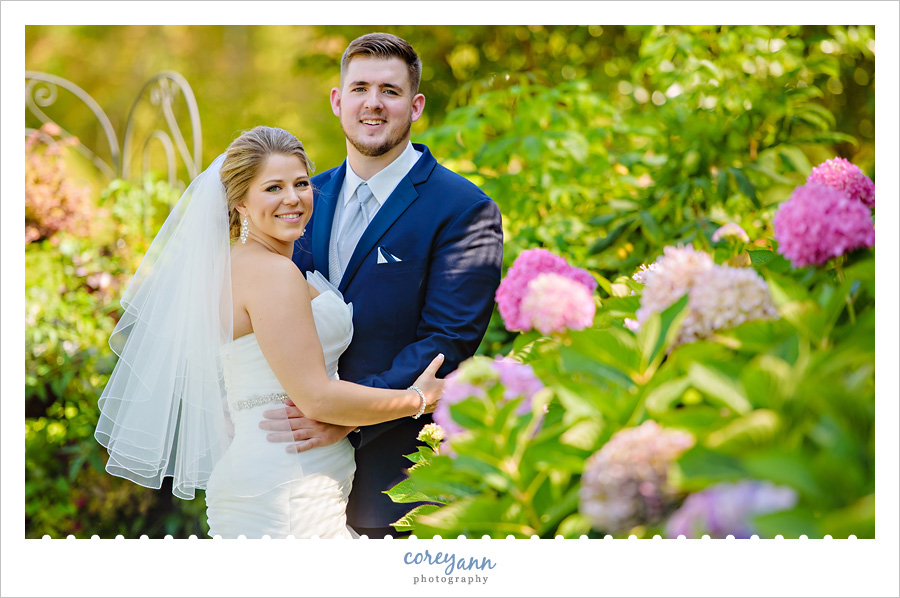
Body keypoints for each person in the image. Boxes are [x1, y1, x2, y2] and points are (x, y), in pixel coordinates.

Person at [95, 125, 445, 539]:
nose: (292, 198)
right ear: (240, 201)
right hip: (288, 488)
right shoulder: (272, 274)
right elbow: (316, 396)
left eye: (301, 183)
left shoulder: (231, 265)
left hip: (279, 471)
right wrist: (418, 400)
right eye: (273, 188)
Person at [261, 32, 504, 539]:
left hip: (393, 466)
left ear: (415, 106)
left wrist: (347, 412)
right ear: (338, 100)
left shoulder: (463, 209)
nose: (373, 103)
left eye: (390, 91)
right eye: (360, 88)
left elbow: (447, 341)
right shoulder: (302, 198)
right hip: (286, 462)